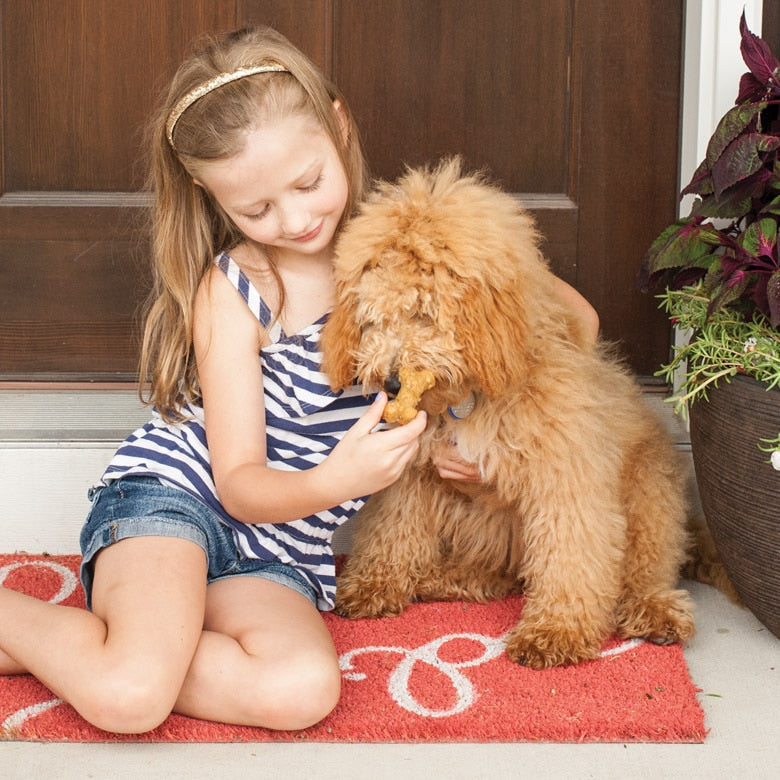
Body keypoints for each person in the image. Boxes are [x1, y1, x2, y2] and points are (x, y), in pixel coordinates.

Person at [0, 26, 599, 734]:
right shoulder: (239, 287)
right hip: (179, 504)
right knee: (131, 699)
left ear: (337, 125)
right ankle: (124, 652)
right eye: (255, 210)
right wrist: (339, 481)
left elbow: (577, 326)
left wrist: (473, 432)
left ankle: (135, 640)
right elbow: (240, 483)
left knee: (303, 691)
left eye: (308, 183)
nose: (295, 219)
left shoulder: (415, 240)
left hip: (282, 552)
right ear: (208, 192)